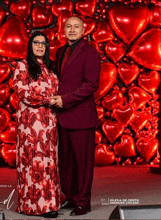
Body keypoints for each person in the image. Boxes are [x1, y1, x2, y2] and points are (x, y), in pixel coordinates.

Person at [50, 16, 101, 216]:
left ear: (83, 30)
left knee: (83, 163)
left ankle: (83, 201)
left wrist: (65, 99)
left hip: (81, 116)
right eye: (68, 26)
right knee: (66, 162)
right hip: (62, 117)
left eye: (76, 26)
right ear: (63, 30)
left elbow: (91, 85)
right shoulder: (60, 51)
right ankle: (71, 197)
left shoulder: (90, 52)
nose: (72, 29)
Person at [13, 31, 60, 218]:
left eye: (43, 43)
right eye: (36, 42)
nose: (40, 46)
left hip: (49, 122)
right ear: (30, 46)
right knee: (33, 164)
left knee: (49, 163)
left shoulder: (51, 68)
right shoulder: (22, 66)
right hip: (30, 124)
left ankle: (50, 203)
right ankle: (35, 206)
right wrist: (49, 99)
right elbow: (22, 92)